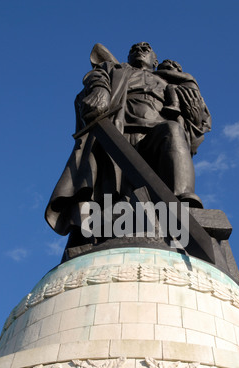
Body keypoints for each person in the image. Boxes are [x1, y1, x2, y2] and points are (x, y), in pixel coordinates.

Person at [45, 42, 211, 242]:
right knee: (111, 197)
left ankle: (182, 202)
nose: (140, 50)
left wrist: (195, 115)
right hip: (116, 134)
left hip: (156, 140)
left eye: (146, 48)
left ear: (155, 61)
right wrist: (101, 90)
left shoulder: (170, 84)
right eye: (134, 49)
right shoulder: (115, 70)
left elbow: (196, 128)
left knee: (173, 129)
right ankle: (107, 218)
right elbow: (96, 77)